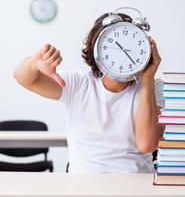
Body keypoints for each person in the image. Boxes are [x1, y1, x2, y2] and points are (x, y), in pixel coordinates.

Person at [14, 13, 165, 173]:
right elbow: (22, 78)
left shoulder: (154, 87)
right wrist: (33, 64)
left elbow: (147, 144)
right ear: (97, 50)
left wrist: (148, 77)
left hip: (136, 186)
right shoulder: (78, 84)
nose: (123, 56)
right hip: (84, 186)